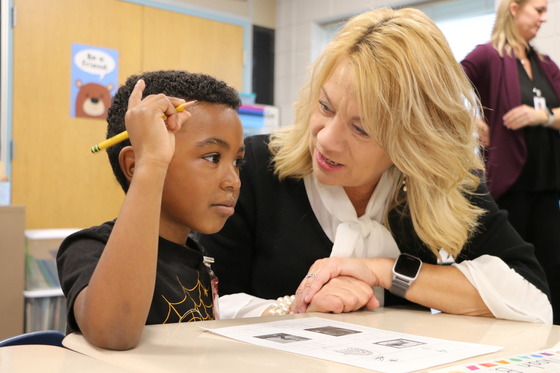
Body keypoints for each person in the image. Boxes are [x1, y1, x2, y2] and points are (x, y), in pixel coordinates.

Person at [199, 7, 553, 323]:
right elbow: (202, 301)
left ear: (414, 141)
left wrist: (385, 271)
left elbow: (531, 296)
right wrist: (295, 307)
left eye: (361, 128)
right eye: (325, 107)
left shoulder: (439, 184)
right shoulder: (255, 167)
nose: (326, 140)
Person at [57, 70, 244, 350]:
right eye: (212, 157)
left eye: (237, 161)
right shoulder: (88, 248)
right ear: (134, 165)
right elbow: (114, 333)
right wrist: (152, 162)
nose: (233, 181)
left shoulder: (196, 256)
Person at [461, 0, 560, 324]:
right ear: (514, 8)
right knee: (511, 270)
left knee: (552, 268)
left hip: (547, 185)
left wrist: (541, 116)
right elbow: (444, 85)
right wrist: (470, 121)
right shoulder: (487, 56)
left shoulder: (544, 64)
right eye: (539, 10)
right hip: (510, 188)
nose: (544, 19)